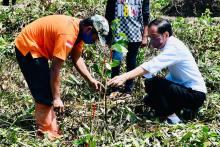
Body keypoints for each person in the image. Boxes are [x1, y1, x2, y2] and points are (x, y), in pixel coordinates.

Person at [15, 15, 109, 140]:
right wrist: (57, 98)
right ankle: (45, 135)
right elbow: (55, 68)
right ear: (89, 29)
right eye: (95, 37)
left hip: (37, 47)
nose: (95, 41)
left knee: (48, 91)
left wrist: (90, 79)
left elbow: (77, 58)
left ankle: (52, 131)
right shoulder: (68, 34)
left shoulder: (79, 32)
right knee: (44, 93)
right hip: (29, 46)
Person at [108, 19, 207, 124]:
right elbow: (171, 76)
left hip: (195, 95)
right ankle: (184, 111)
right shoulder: (171, 44)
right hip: (186, 91)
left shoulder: (174, 47)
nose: (152, 41)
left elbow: (151, 65)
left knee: (154, 83)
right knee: (149, 99)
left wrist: (125, 76)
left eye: (154, 37)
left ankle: (174, 120)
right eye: (150, 37)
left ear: (166, 35)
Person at [105, 0, 150, 94]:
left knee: (131, 61)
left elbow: (146, 14)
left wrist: (145, 35)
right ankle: (114, 89)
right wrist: (108, 35)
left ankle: (128, 90)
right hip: (117, 29)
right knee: (116, 60)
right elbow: (109, 12)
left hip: (135, 30)